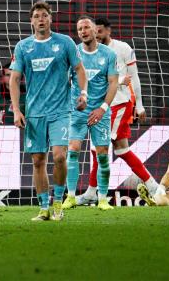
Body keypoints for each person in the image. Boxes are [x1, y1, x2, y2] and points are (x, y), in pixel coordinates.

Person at [10, 0, 88, 221]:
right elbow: (14, 79)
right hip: (34, 113)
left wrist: (83, 94)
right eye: (36, 16)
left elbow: (79, 69)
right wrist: (17, 110)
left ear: (51, 18)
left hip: (61, 111)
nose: (41, 19)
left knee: (60, 156)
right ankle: (43, 208)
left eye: (44, 15)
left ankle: (57, 203)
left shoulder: (65, 43)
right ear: (31, 21)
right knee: (37, 161)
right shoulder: (23, 47)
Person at [76, 17, 161, 205]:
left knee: (99, 148)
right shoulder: (89, 53)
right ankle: (154, 186)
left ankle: (91, 192)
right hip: (99, 106)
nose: (95, 34)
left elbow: (135, 77)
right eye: (92, 31)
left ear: (108, 31)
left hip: (118, 104)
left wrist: (139, 105)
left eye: (98, 31)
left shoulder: (122, 48)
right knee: (122, 150)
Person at [61, 17, 118, 211]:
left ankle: (102, 198)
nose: (83, 31)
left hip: (100, 112)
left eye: (86, 27)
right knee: (73, 150)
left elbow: (113, 83)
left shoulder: (109, 54)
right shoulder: (73, 53)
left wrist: (102, 108)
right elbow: (64, 80)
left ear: (95, 30)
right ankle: (70, 196)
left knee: (102, 155)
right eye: (79, 29)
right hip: (77, 110)